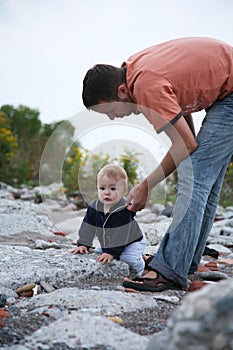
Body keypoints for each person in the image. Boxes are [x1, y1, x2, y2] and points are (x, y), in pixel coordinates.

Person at [82, 37, 233, 292]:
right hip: (226, 86)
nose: (112, 117)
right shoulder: (132, 71)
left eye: (109, 110)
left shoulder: (145, 85)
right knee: (204, 180)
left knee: (194, 178)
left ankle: (170, 270)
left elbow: (186, 145)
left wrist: (145, 186)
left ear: (120, 92)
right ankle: (184, 262)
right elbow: (186, 130)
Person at [71, 164, 147, 277]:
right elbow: (88, 226)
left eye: (113, 188)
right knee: (98, 253)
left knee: (127, 259)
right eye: (102, 188)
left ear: (124, 190)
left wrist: (111, 252)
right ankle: (140, 255)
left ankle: (141, 269)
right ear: (97, 188)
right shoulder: (94, 207)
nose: (106, 192)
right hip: (110, 242)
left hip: (132, 241)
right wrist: (83, 244)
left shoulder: (123, 210)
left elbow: (121, 234)